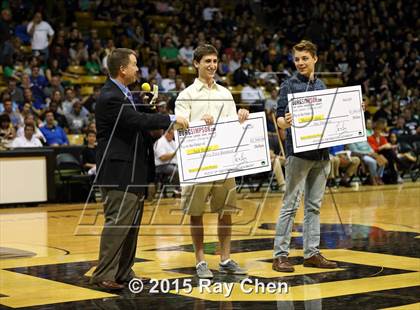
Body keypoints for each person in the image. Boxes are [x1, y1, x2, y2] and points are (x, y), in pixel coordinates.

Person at [90, 48, 188, 291]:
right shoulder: (110, 96)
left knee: (131, 225)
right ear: (122, 69)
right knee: (118, 224)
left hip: (134, 169)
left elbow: (139, 125)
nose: (138, 69)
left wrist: (151, 109)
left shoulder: (126, 94)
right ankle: (103, 274)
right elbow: (135, 121)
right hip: (119, 171)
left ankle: (123, 271)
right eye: (134, 65)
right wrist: (170, 119)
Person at [175, 44, 249, 278]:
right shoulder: (186, 95)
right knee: (196, 213)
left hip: (223, 161)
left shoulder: (225, 93)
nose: (212, 65)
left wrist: (241, 117)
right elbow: (179, 124)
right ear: (196, 63)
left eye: (215, 61)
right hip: (198, 164)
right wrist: (195, 121)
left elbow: (232, 126)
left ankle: (225, 259)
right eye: (207, 61)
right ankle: (200, 261)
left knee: (225, 211)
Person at [273, 40, 338, 273]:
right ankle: (280, 255)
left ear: (315, 59)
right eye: (297, 59)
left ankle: (311, 253)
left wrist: (352, 110)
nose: (300, 63)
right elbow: (279, 117)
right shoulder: (288, 85)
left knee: (314, 206)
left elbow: (332, 116)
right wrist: (284, 122)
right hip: (298, 154)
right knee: (290, 205)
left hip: (321, 155)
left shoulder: (321, 85)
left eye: (304, 58)